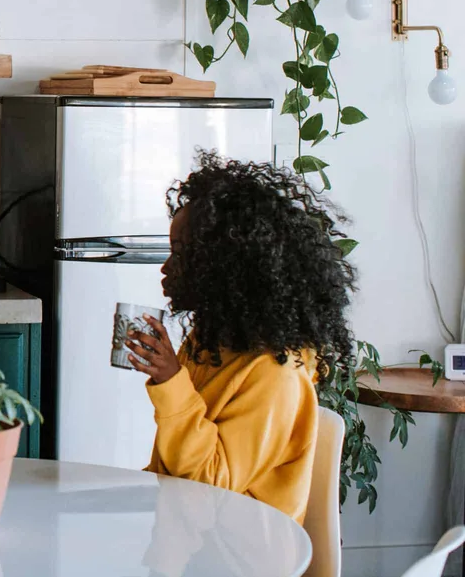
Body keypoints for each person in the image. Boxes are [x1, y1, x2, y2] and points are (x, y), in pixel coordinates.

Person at [125, 152, 355, 524]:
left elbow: (210, 484)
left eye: (180, 254)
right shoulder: (213, 341)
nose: (166, 267)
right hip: (189, 533)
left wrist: (170, 380)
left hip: (240, 549)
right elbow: (180, 468)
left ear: (223, 266)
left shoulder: (275, 374)